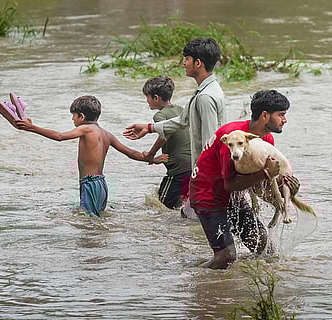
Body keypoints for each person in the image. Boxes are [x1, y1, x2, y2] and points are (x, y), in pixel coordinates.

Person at [189, 89, 300, 269]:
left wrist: (288, 187)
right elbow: (230, 184)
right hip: (208, 196)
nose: (284, 120)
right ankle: (189, 277)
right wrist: (265, 173)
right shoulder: (233, 138)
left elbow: (260, 185)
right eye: (281, 115)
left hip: (234, 196)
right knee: (226, 257)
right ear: (265, 115)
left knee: (266, 250)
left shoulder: (266, 139)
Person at [10, 95, 166, 216]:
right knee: (96, 221)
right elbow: (130, 153)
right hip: (102, 185)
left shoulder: (85, 129)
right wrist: (151, 159)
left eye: (74, 115)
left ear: (82, 117)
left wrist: (32, 128)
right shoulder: (106, 134)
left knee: (88, 223)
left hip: (90, 183)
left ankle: (92, 255)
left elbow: (59, 136)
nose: (72, 119)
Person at [123, 37, 226, 217]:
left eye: (186, 59)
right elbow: (182, 120)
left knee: (197, 220)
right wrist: (149, 127)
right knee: (189, 219)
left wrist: (202, 180)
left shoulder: (205, 97)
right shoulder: (204, 91)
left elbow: (211, 141)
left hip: (206, 175)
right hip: (199, 172)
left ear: (198, 63)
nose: (184, 63)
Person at [142, 76, 192, 209]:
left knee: (161, 206)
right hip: (192, 164)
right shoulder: (181, 110)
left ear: (156, 98)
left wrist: (151, 155)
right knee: (184, 204)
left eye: (147, 97)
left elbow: (165, 135)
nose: (146, 100)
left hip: (178, 170)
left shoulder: (160, 115)